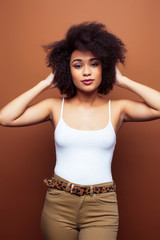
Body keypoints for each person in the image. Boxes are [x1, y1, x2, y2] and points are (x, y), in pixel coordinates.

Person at [0, 22, 160, 240]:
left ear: (105, 66)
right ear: (68, 70)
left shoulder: (118, 109)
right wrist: (45, 83)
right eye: (77, 65)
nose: (86, 71)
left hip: (101, 206)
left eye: (94, 64)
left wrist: (122, 80)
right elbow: (5, 118)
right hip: (59, 203)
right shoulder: (55, 107)